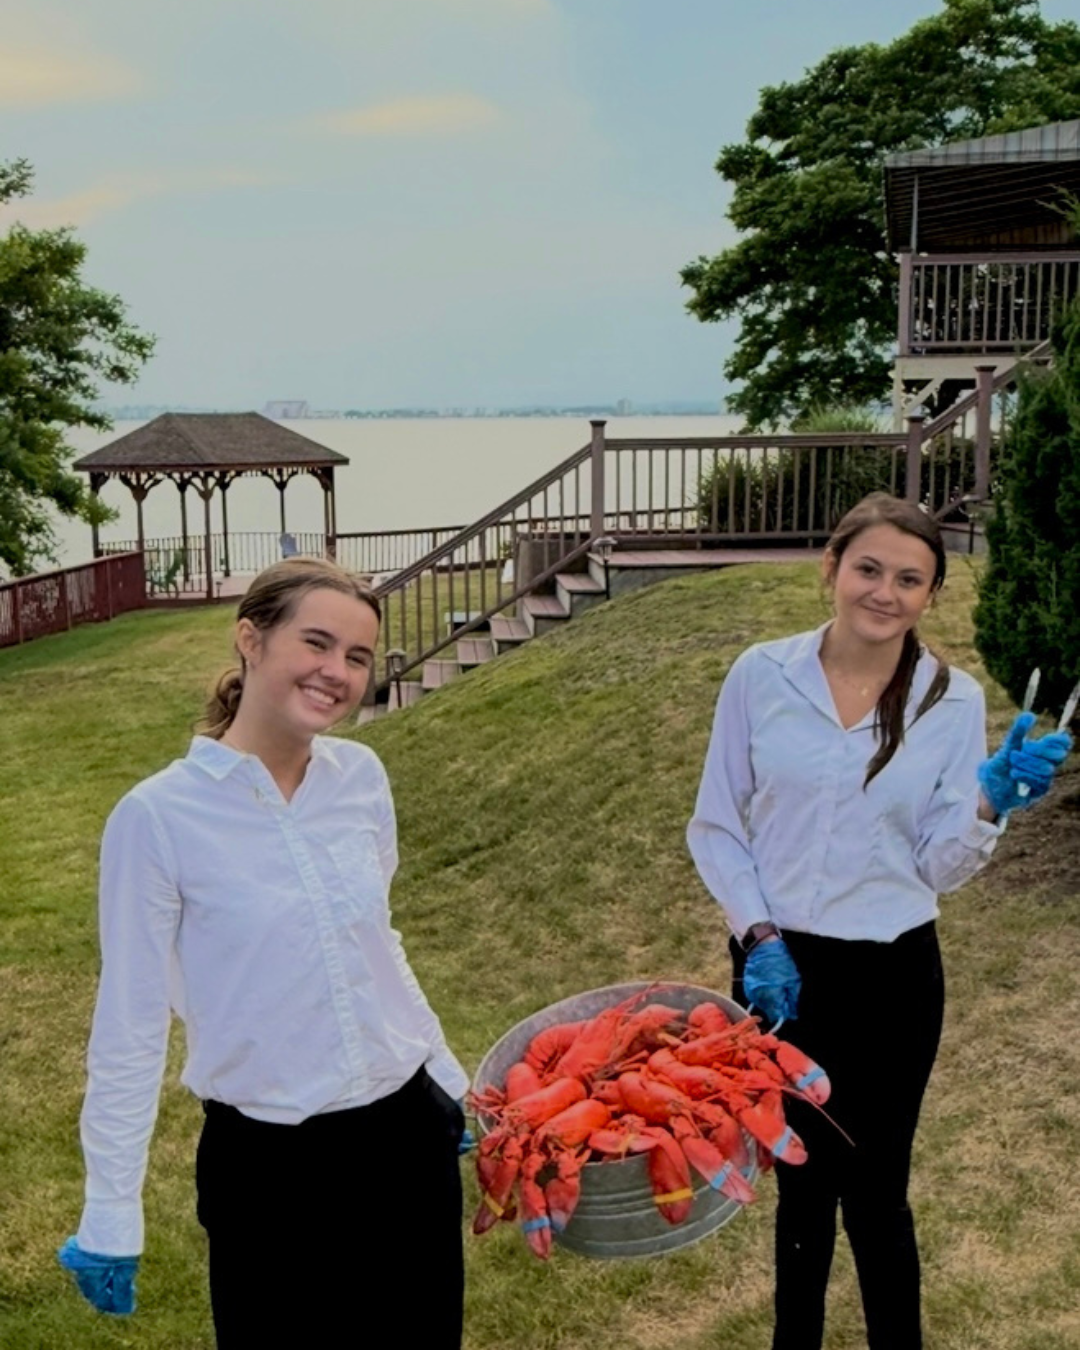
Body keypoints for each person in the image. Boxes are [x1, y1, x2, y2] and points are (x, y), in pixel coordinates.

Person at [686, 493, 1071, 1350]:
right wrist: (758, 936)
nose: (884, 593)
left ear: (930, 594)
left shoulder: (949, 700)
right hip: (774, 968)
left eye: (909, 579)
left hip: (893, 975)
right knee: (800, 1186)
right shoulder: (761, 675)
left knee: (876, 1191)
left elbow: (936, 864)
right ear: (831, 567)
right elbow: (717, 824)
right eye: (869, 569)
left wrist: (986, 801)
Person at [58, 556, 470, 1348]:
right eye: (316, 643)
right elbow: (132, 1021)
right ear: (251, 638)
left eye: (356, 657)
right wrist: (111, 1205)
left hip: (404, 1143)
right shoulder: (158, 817)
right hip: (271, 1173)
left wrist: (448, 1083)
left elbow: (377, 948)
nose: (336, 673)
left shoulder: (362, 777)